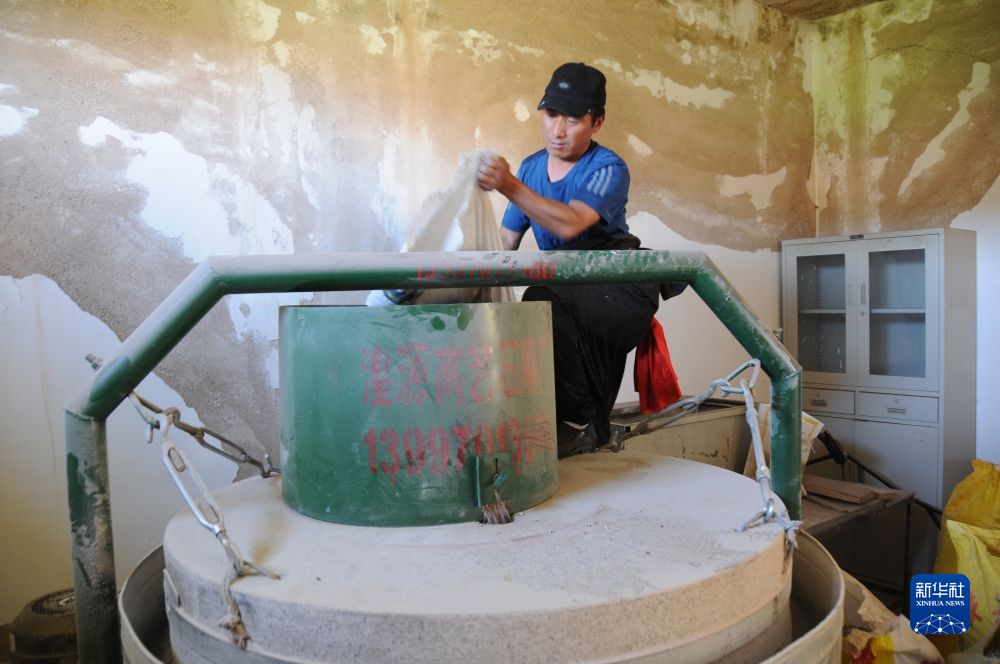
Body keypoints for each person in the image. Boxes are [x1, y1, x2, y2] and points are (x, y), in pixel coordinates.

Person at [477, 62, 683, 458]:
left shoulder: (608, 167)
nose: (558, 130)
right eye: (551, 114)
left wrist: (508, 185)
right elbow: (505, 242)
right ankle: (584, 430)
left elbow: (571, 222)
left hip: (617, 286)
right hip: (568, 287)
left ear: (596, 122)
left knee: (540, 298)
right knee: (533, 327)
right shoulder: (531, 168)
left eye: (572, 120)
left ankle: (577, 426)